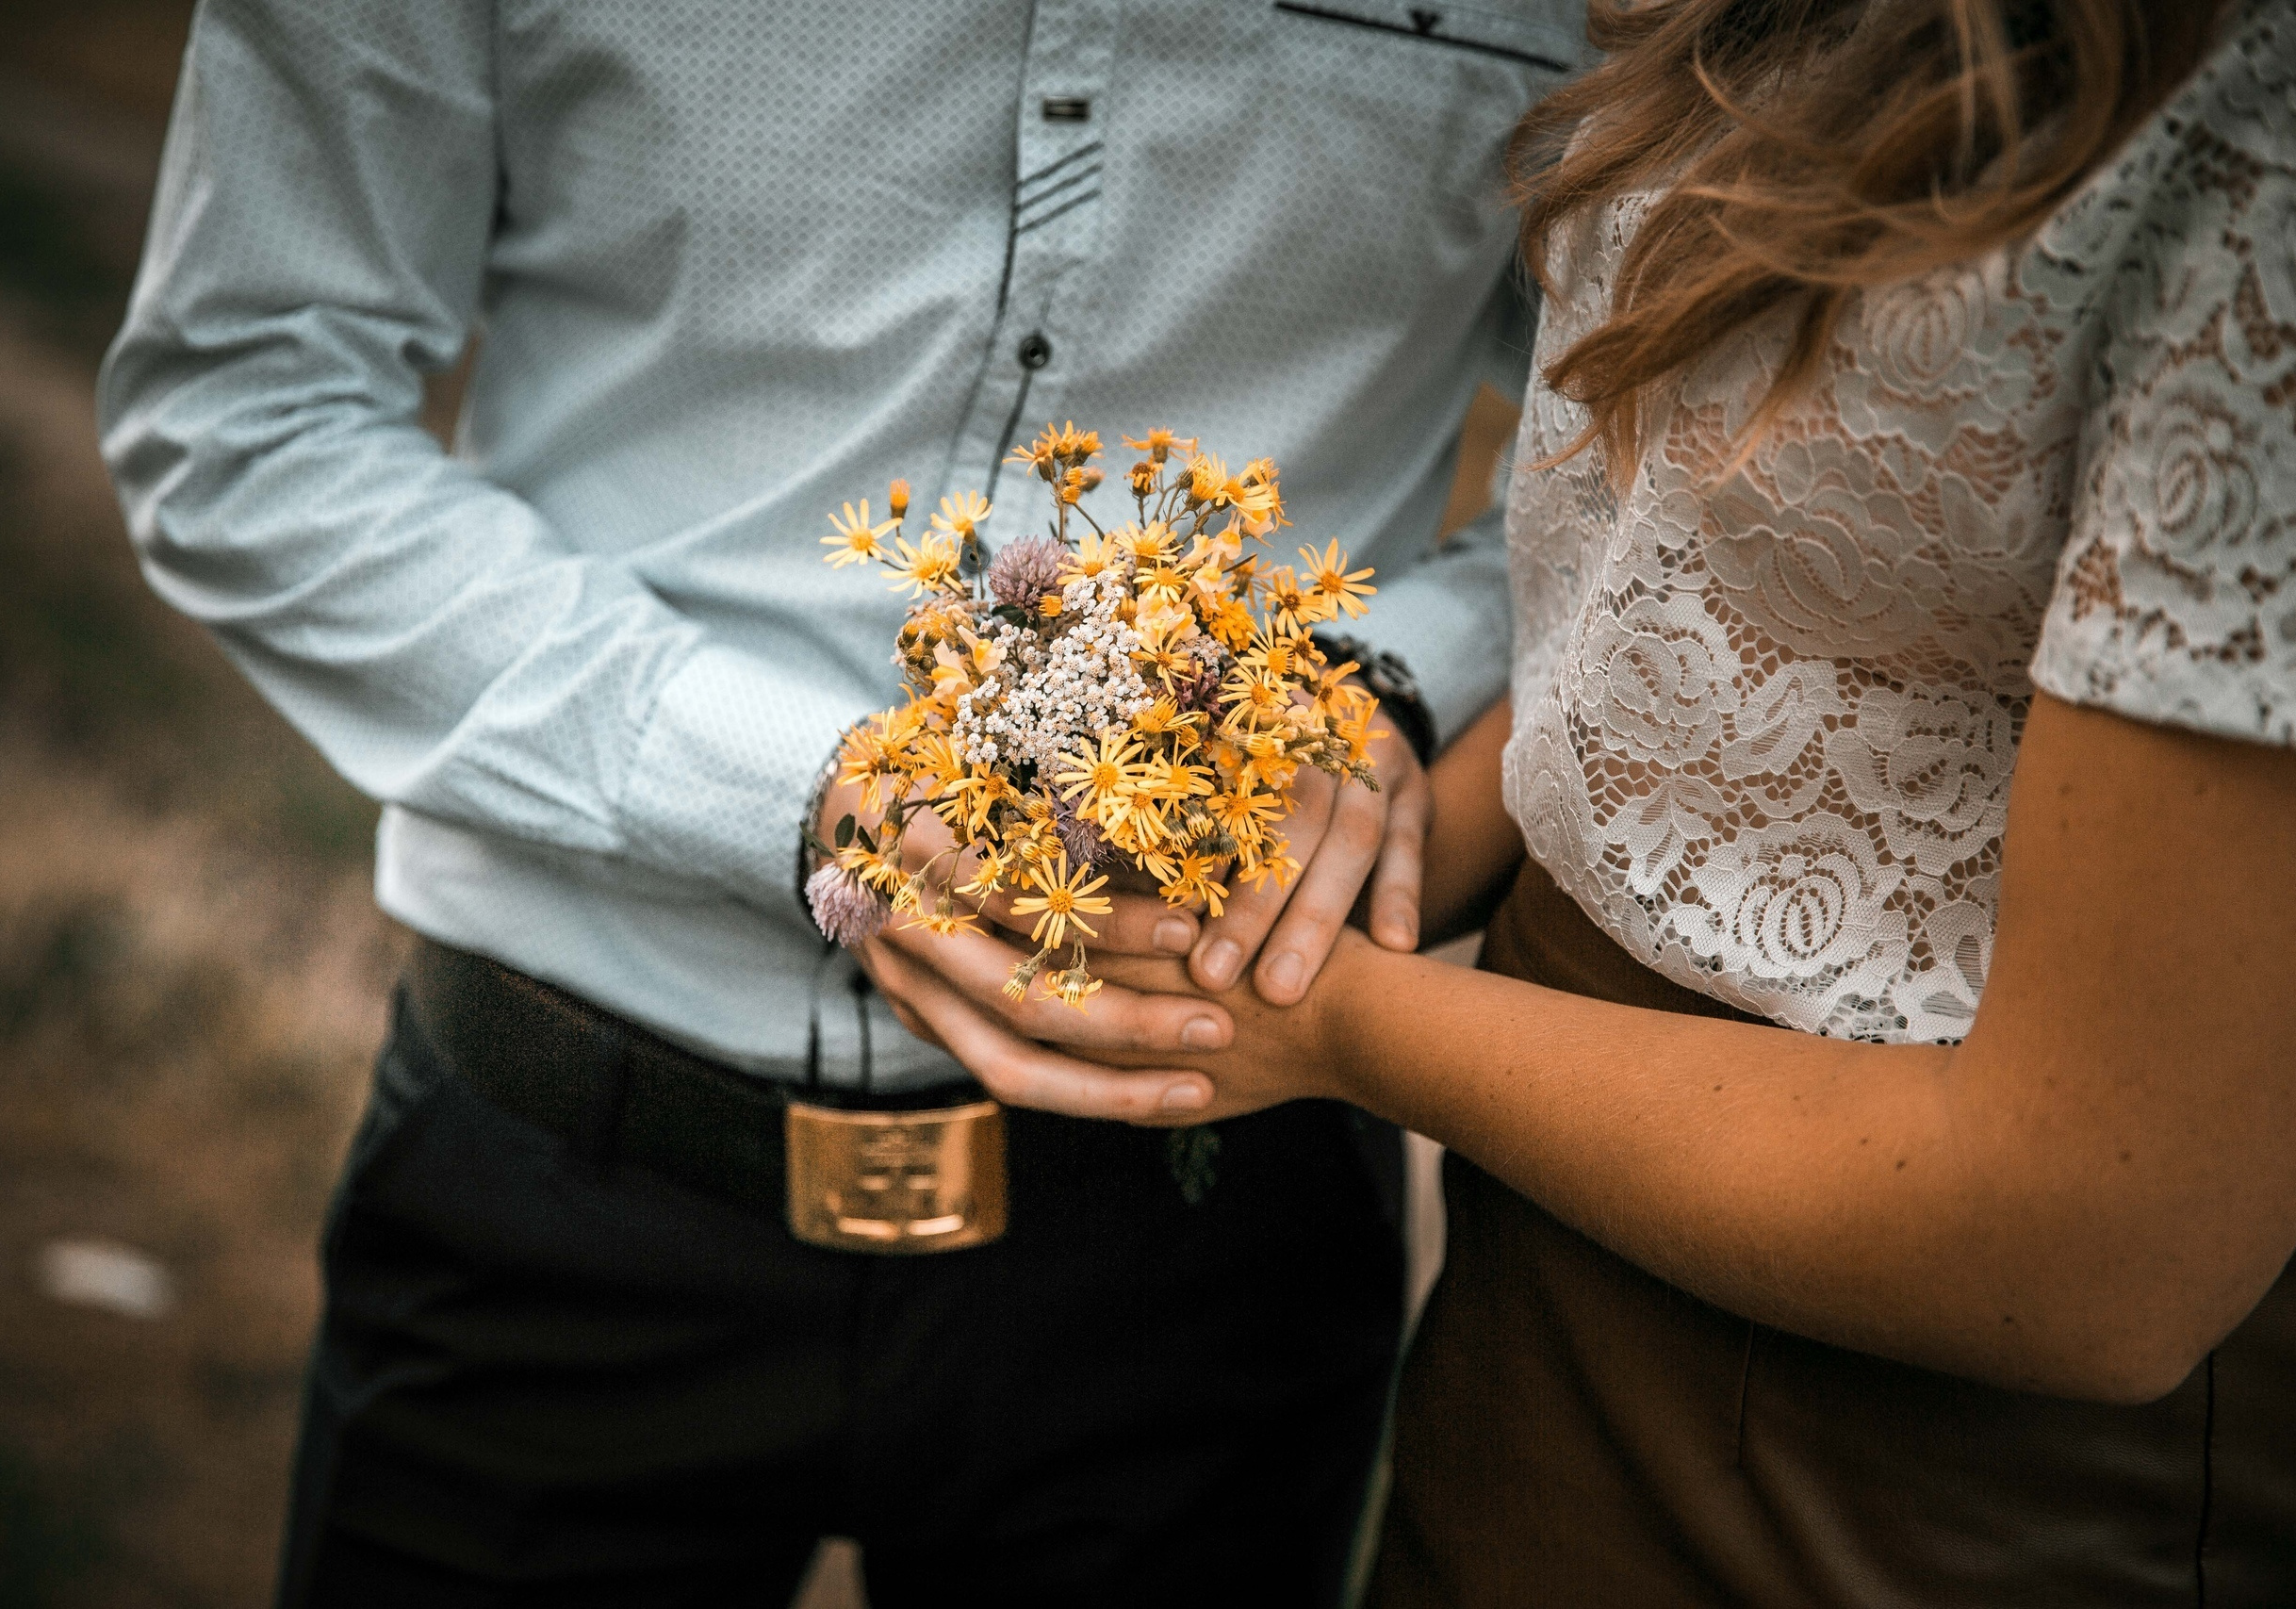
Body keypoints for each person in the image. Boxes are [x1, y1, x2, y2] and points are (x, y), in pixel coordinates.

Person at [95, 2, 1588, 1602]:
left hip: (1213, 1206)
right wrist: (800, 790)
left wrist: (1373, 687)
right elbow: (244, 410)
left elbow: (1642, 483)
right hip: (565, 1161)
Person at [1056, 0, 2296, 1601]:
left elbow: (2103, 1251)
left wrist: (1337, 1019)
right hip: (1552, 1263)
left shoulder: (2269, 147)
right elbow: (1727, 612)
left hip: (1933, 1460)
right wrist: (1342, 850)